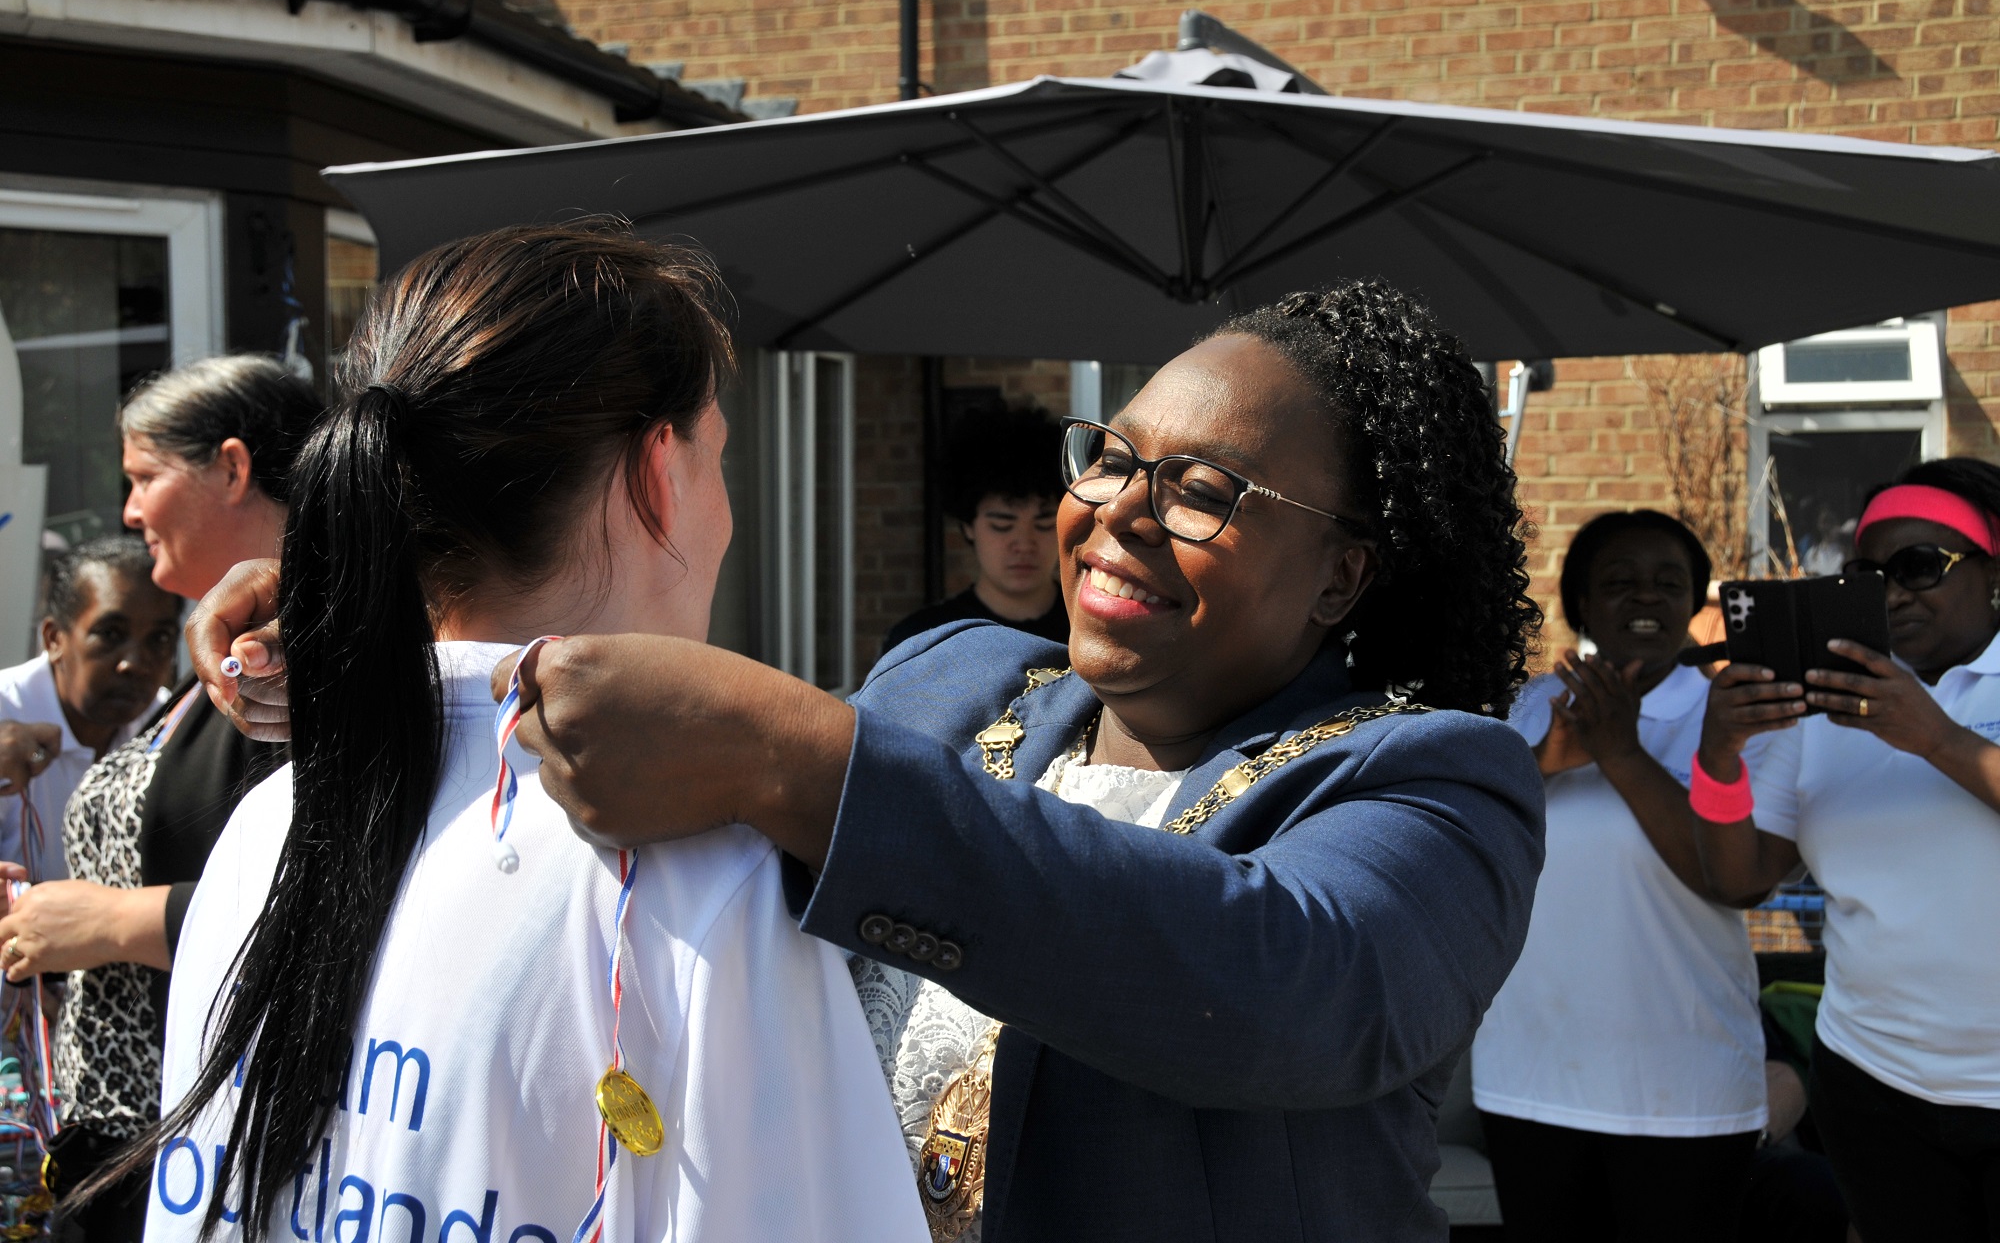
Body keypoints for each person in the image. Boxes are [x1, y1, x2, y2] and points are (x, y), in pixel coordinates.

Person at [193, 278, 1547, 1241]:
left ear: (1340, 575)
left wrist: (800, 759)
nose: (1117, 515)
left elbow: (1291, 984)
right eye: (1110, 459)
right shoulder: (952, 679)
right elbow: (665, 787)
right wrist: (380, 599)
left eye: (1200, 491)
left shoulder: (1433, 780)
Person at [126, 224, 924, 1243]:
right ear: (657, 473)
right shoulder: (698, 872)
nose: (723, 510)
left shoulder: (268, 822)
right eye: (719, 454)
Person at [0, 356, 317, 1238]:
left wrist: (106, 922)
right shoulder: (216, 666)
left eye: (144, 477)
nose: (131, 510)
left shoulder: (296, 667)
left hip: (207, 1153)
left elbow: (323, 907)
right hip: (129, 1143)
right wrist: (43, 915)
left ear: (231, 466)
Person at [1694, 456, 2000, 1243]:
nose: (1893, 591)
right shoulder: (1827, 706)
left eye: (1921, 566)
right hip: (1876, 1083)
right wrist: (1720, 755)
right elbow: (1742, 878)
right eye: (1868, 571)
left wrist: (1934, 738)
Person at [1471, 510, 1781, 1242]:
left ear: (1694, 602)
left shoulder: (1737, 711)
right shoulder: (1527, 708)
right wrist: (1547, 758)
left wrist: (1620, 753)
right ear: (1581, 606)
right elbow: (1466, 837)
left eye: (1668, 583)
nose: (1646, 599)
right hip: (1531, 1077)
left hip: (1688, 1088)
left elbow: (1731, 878)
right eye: (1619, 583)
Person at [0, 536, 177, 879]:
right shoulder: (5, 710)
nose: (134, 663)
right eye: (110, 634)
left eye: (159, 639)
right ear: (54, 639)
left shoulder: (172, 726)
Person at [881, 403, 1067, 654]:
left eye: (1044, 523)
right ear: (968, 526)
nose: (1024, 544)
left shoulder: (1096, 632)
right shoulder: (920, 640)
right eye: (1002, 524)